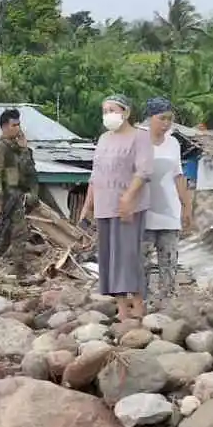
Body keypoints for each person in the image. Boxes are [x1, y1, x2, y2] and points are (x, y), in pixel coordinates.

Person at [78, 94, 154, 322]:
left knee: (129, 255)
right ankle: (121, 307)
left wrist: (128, 198)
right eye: (105, 110)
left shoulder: (140, 137)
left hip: (129, 206)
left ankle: (138, 303)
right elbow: (95, 175)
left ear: (126, 112)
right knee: (109, 256)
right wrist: (86, 207)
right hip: (104, 204)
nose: (108, 115)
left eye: (113, 110)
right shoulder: (103, 139)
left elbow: (144, 171)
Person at [141, 97, 193, 306]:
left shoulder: (173, 143)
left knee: (169, 257)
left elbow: (178, 176)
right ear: (150, 118)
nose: (166, 123)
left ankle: (167, 298)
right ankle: (141, 299)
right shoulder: (137, 141)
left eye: (169, 119)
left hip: (169, 211)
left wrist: (186, 206)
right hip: (143, 210)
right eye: (161, 118)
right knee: (141, 258)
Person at [0, 107, 40, 273]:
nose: (18, 128)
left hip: (20, 196)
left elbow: (30, 171)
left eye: (19, 124)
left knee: (6, 237)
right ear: (4, 127)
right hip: (8, 197)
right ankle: (19, 270)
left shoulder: (20, 147)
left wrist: (25, 150)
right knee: (19, 232)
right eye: (14, 125)